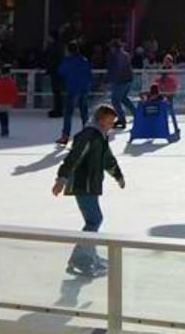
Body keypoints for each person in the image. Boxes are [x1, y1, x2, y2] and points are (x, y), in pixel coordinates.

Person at [53, 104, 125, 278]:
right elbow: (74, 157)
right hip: (82, 184)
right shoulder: (88, 135)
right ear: (100, 119)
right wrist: (61, 179)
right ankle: (81, 259)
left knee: (94, 220)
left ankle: (89, 255)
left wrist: (118, 175)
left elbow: (107, 159)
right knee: (94, 220)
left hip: (91, 184)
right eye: (109, 121)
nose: (111, 125)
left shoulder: (100, 136)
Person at [56, 42, 93, 146]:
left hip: (73, 89)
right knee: (84, 112)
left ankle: (65, 136)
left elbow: (61, 71)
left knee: (68, 113)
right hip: (84, 89)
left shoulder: (68, 61)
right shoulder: (84, 60)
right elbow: (89, 74)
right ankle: (87, 135)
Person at [105, 40, 136, 130]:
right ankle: (137, 115)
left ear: (114, 47)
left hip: (121, 81)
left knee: (115, 100)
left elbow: (115, 69)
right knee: (123, 98)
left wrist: (108, 80)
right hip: (128, 80)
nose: (110, 49)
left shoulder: (116, 56)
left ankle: (122, 119)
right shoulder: (125, 54)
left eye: (111, 47)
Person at [0, 65, 19, 138]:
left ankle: (3, 128)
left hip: (0, 101)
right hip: (8, 102)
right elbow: (15, 92)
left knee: (1, 115)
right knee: (6, 115)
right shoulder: (12, 82)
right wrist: (14, 100)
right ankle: (5, 128)